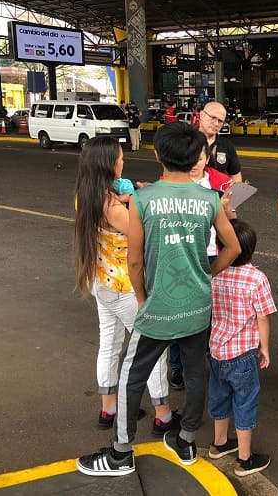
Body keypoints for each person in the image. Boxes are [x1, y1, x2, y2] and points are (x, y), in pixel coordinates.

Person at [76, 123, 241, 477]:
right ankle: (185, 440)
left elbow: (134, 260)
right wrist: (206, 277)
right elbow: (234, 247)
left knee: (132, 376)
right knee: (198, 374)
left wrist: (141, 295)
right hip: (197, 304)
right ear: (199, 156)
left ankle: (121, 453)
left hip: (157, 306)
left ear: (157, 155)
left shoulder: (142, 200)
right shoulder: (210, 199)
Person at [73, 136, 174, 435]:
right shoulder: (112, 206)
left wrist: (130, 194)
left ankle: (109, 408)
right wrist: (140, 200)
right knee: (152, 346)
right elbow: (143, 230)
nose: (122, 161)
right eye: (119, 158)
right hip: (123, 287)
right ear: (107, 163)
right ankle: (163, 415)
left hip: (100, 281)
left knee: (110, 344)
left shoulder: (87, 193)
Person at [207, 219, 276, 477]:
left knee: (220, 396)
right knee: (245, 402)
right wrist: (265, 348)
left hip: (216, 350)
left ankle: (219, 443)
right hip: (242, 354)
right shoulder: (256, 278)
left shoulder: (214, 272)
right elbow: (263, 316)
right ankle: (245, 459)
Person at [167, 142, 236, 392]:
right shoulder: (174, 183)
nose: (196, 162)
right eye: (191, 157)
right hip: (181, 258)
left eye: (200, 157)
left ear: (208, 159)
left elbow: (233, 223)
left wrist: (229, 209)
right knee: (180, 315)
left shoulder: (217, 188)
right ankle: (177, 366)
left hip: (210, 256)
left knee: (209, 316)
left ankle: (205, 361)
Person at [199, 101, 242, 183]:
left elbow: (236, 176)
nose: (216, 123)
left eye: (220, 121)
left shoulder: (227, 146)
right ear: (202, 115)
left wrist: (234, 195)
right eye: (213, 117)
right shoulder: (185, 141)